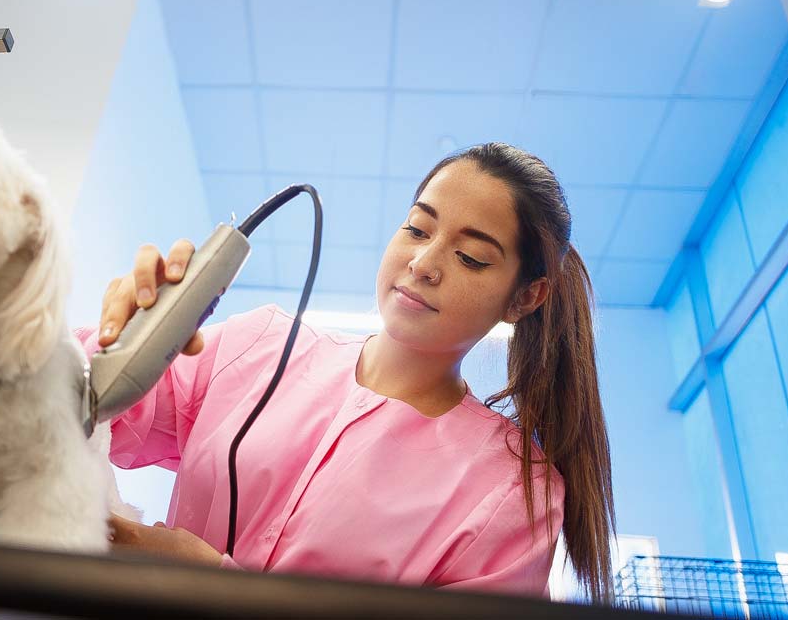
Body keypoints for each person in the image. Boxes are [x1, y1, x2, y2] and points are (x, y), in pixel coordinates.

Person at [74, 143, 615, 602]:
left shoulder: (510, 491)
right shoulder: (256, 346)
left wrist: (214, 586)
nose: (424, 263)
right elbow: (72, 413)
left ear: (525, 297)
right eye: (417, 229)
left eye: (471, 257)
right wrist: (121, 339)